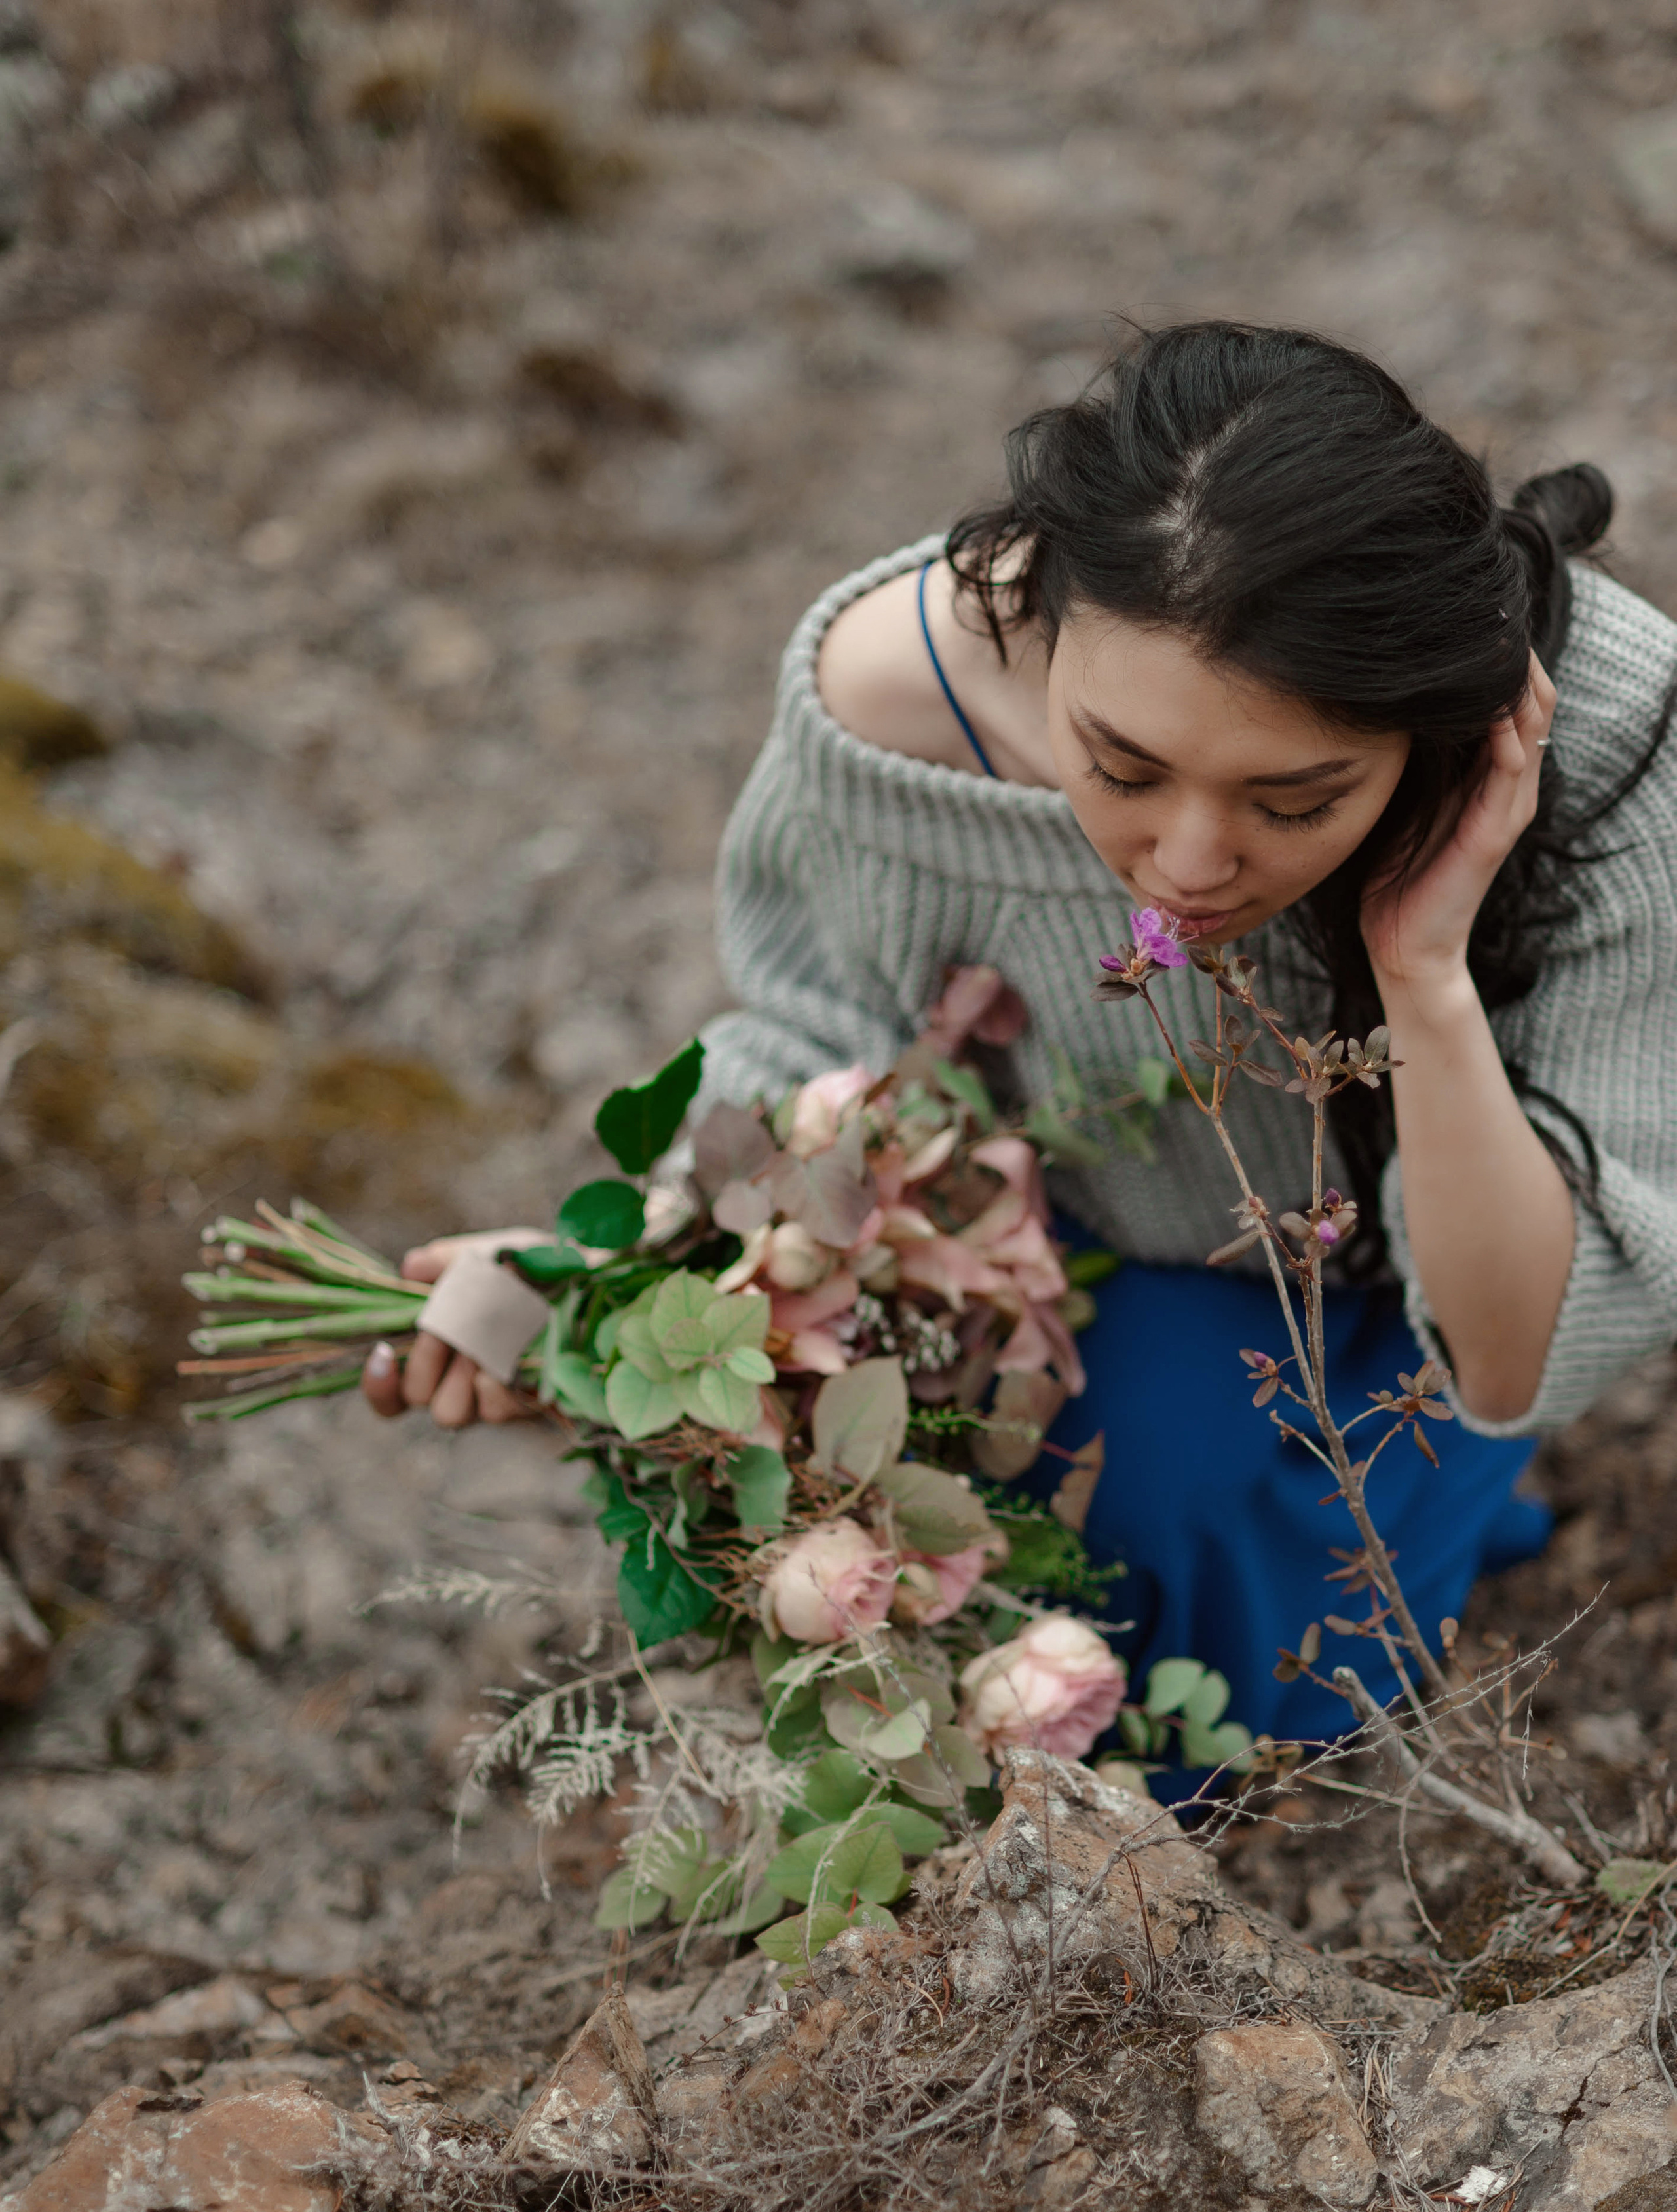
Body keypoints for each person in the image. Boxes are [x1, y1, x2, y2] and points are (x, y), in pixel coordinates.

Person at [367, 320, 1677, 1757]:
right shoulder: (893, 710)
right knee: (987, 1520)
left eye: (1291, 801)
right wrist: (590, 1280)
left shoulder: (1598, 734)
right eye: (1117, 766)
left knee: (1212, 1609)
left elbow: (1514, 1361)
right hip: (1092, 1282)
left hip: (1453, 1278)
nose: (1184, 862)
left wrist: (1420, 970)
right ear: (1039, 611)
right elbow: (815, 1046)